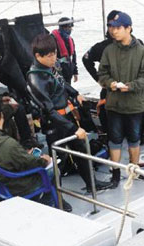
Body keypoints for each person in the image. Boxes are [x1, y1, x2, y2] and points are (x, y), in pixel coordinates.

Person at [26, 33, 112, 192]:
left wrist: (75, 93)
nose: (54, 58)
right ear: (38, 56)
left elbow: (62, 82)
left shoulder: (50, 68)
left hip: (66, 117)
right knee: (58, 159)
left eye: (55, 54)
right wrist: (74, 129)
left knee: (81, 149)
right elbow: (49, 110)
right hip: (54, 123)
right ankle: (54, 195)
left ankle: (91, 184)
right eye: (50, 55)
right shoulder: (36, 79)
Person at [0, 99, 72, 211]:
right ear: (1, 115)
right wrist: (45, 160)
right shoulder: (7, 144)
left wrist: (22, 154)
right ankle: (47, 203)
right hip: (17, 185)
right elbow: (31, 163)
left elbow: (11, 156)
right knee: (54, 169)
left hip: (0, 181)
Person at [98, 11, 144, 188]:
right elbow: (102, 73)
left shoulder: (142, 51)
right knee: (114, 141)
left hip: (134, 106)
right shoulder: (109, 50)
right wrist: (110, 83)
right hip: (114, 105)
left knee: (134, 140)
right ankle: (115, 175)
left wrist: (131, 86)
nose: (113, 31)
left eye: (118, 27)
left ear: (129, 28)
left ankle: (134, 171)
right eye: (111, 28)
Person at [82, 10, 121, 135]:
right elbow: (86, 59)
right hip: (110, 92)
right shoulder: (102, 47)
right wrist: (99, 79)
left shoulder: (137, 45)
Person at [51, 17, 78, 84]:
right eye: (69, 27)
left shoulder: (70, 39)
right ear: (63, 28)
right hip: (58, 72)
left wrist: (75, 71)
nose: (71, 29)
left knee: (68, 90)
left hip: (68, 71)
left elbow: (73, 56)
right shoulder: (52, 39)